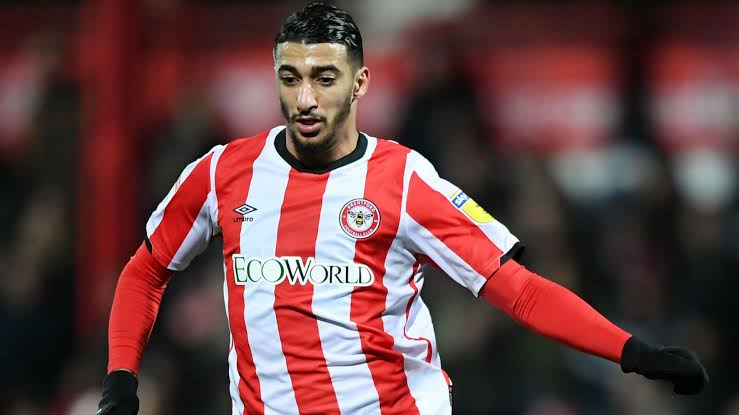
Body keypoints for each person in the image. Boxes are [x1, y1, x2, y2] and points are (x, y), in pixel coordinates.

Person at [97, 3, 708, 414]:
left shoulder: (404, 179)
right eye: (290, 77)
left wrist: (633, 351)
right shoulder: (221, 173)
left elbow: (517, 290)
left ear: (360, 83)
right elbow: (145, 272)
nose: (305, 98)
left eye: (325, 78)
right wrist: (122, 377)